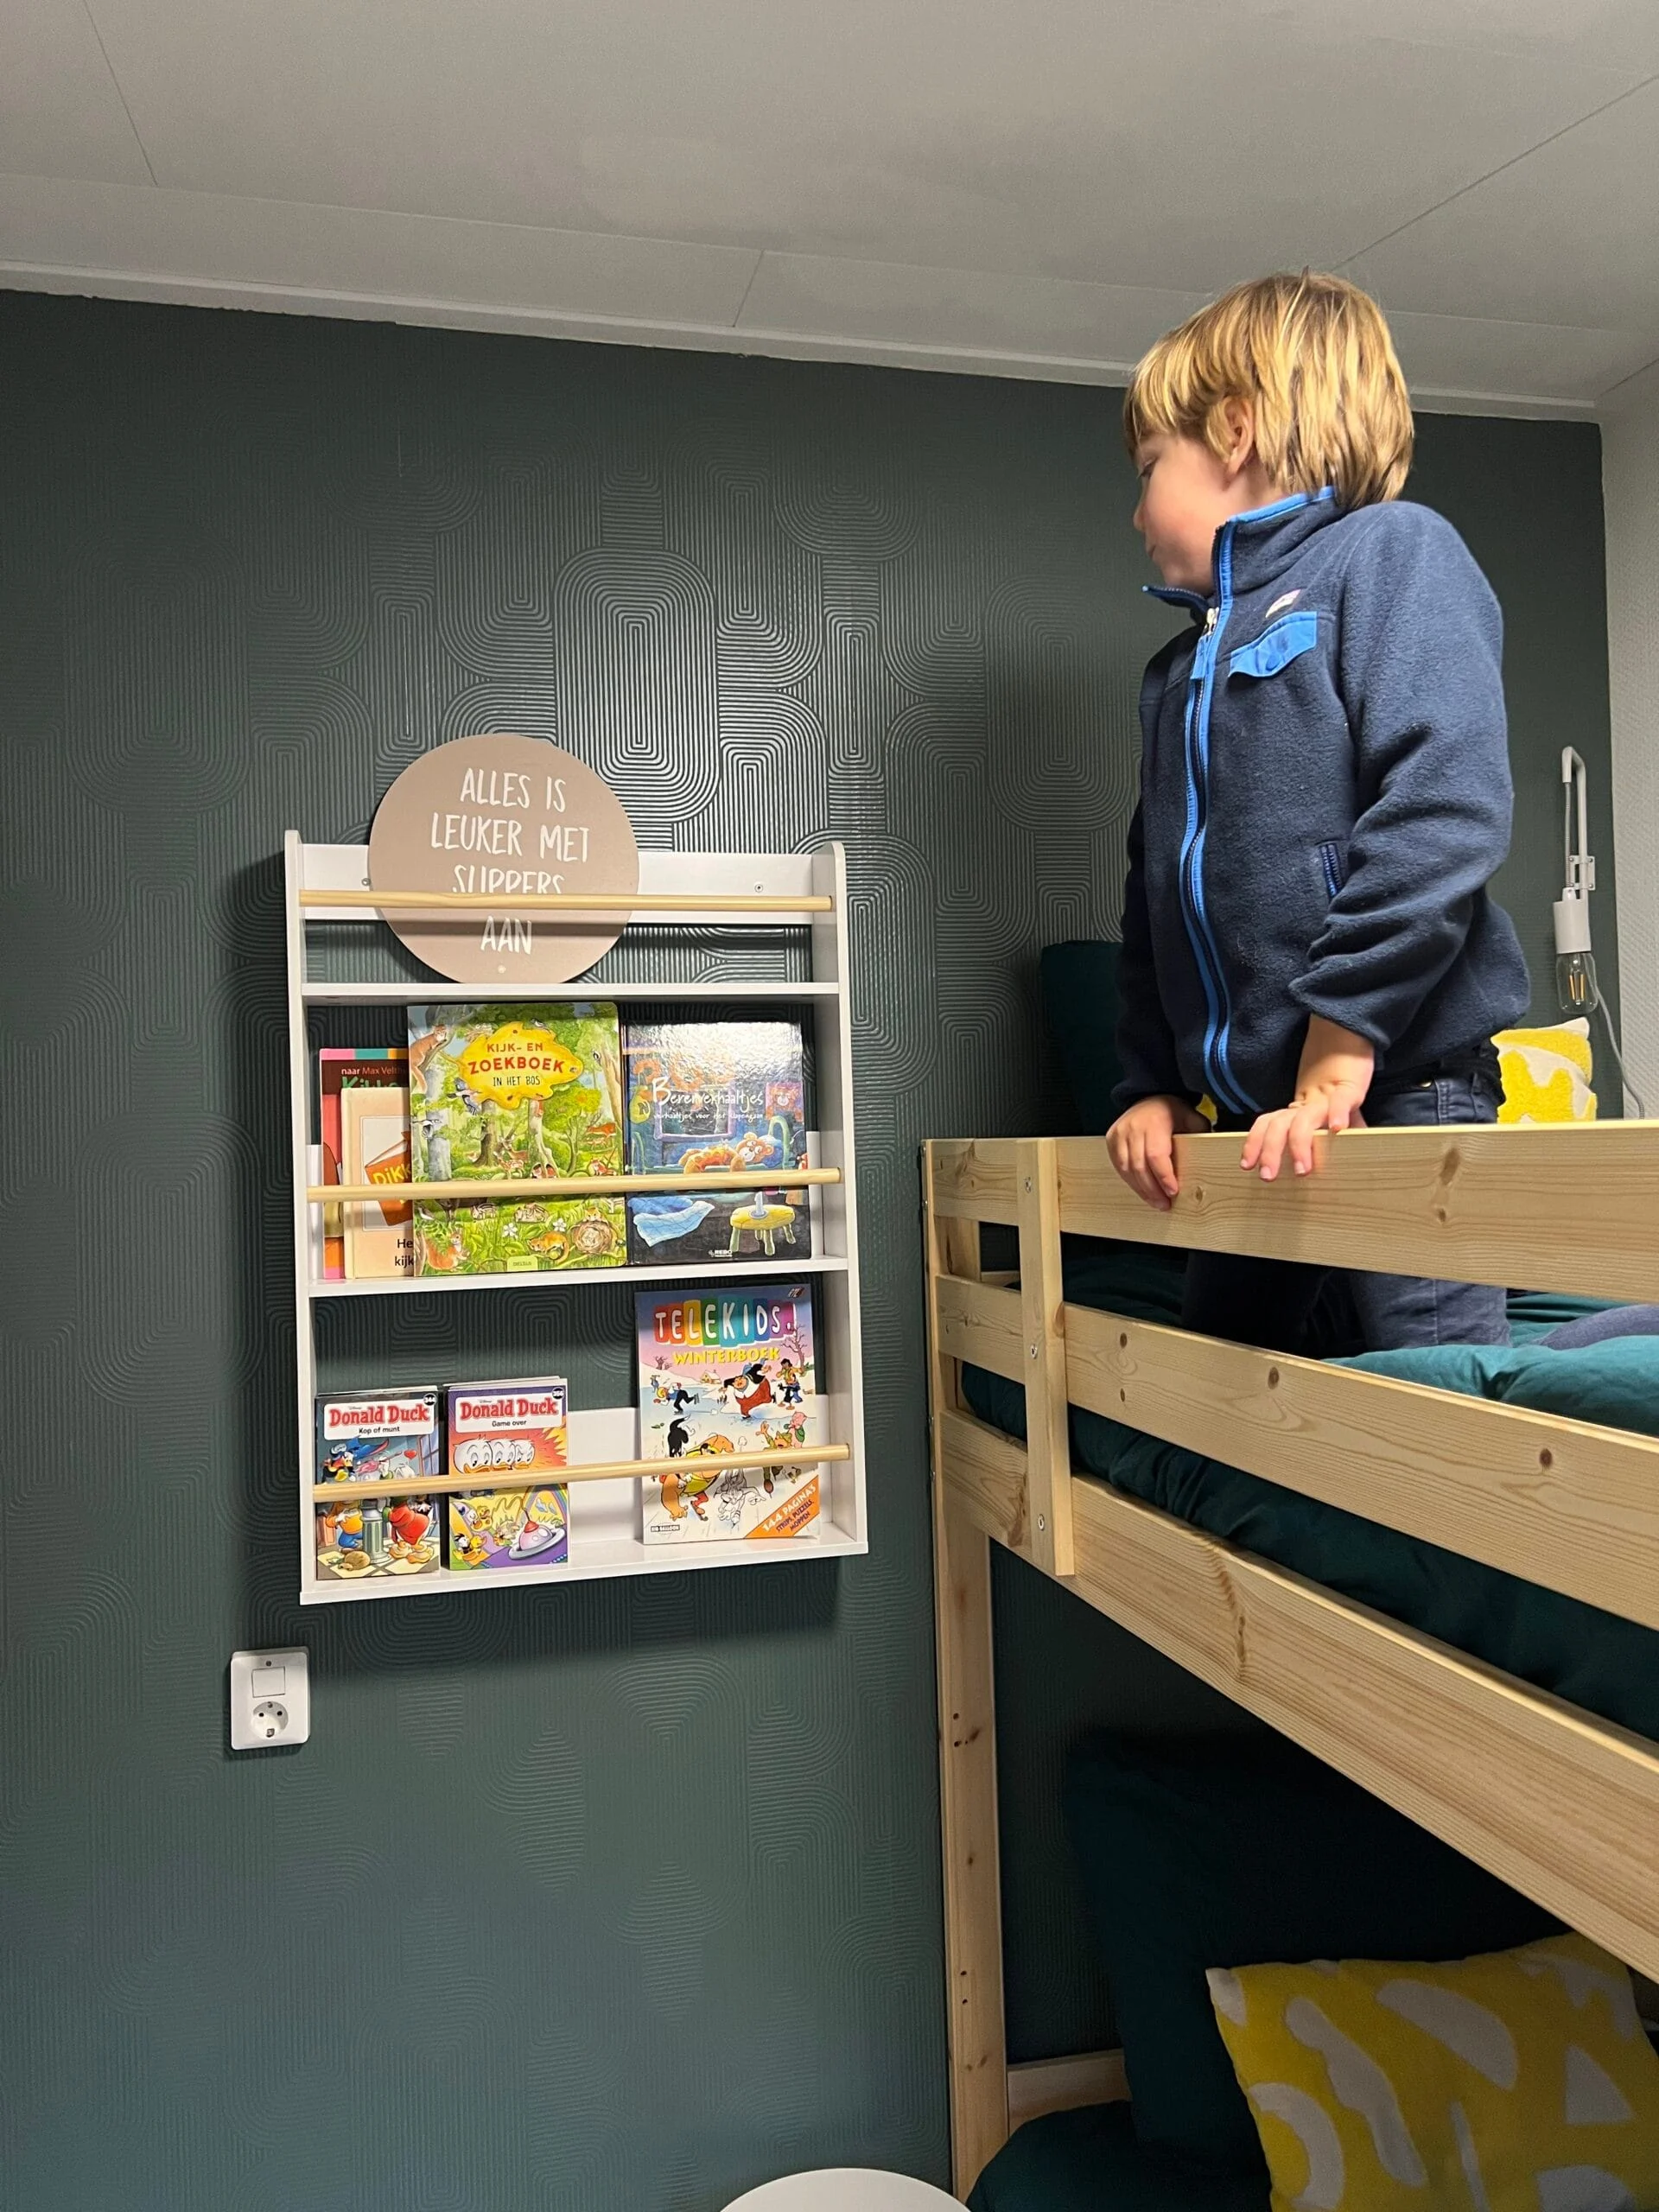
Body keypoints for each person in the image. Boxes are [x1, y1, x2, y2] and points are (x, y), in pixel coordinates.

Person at [1106, 271, 1529, 1354]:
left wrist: (1342, 1046)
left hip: (1400, 1079)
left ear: (1234, 433)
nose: (1137, 504)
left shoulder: (1392, 555)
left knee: (1435, 1379)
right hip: (1256, 1115)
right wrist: (1151, 1085)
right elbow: (1152, 897)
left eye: (1150, 467)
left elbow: (1443, 810)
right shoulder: (1176, 674)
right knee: (1221, 1378)